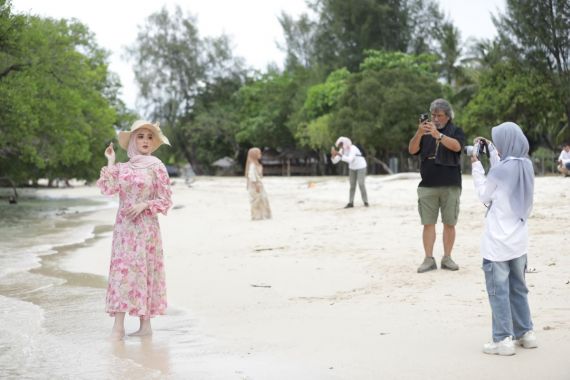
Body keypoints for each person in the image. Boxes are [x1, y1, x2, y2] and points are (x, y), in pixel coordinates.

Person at [97, 120, 173, 339]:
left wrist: (144, 205)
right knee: (121, 272)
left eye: (149, 137)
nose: (145, 141)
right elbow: (108, 189)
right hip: (124, 229)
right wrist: (111, 161)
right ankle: (118, 327)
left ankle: (145, 325)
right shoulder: (124, 168)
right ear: (132, 140)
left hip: (146, 228)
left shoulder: (156, 166)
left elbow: (165, 199)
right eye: (140, 136)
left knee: (145, 272)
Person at [470, 122, 537, 356]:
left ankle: (502, 339)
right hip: (519, 241)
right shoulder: (526, 166)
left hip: (497, 243)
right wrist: (493, 154)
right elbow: (505, 175)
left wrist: (477, 166)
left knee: (498, 291)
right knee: (518, 288)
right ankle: (526, 333)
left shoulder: (500, 170)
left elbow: (484, 194)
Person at [408, 99, 465, 273]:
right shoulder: (424, 132)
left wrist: (438, 136)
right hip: (427, 184)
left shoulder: (456, 131)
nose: (436, 118)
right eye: (433, 115)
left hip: (450, 184)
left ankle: (447, 258)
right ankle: (428, 258)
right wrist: (419, 133)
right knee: (428, 223)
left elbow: (457, 147)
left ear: (448, 116)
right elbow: (412, 150)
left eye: (439, 115)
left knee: (449, 223)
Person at [330, 137, 369, 208]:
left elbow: (350, 159)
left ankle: (365, 201)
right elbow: (334, 161)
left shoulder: (352, 148)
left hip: (361, 166)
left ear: (345, 143)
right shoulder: (342, 150)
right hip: (352, 168)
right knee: (352, 186)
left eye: (341, 144)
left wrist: (339, 154)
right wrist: (333, 155)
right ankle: (351, 203)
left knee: (361, 184)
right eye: (339, 145)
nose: (340, 146)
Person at [245, 147, 271, 220]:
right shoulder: (252, 165)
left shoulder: (256, 164)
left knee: (263, 199)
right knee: (256, 201)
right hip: (255, 185)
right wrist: (256, 185)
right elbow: (252, 176)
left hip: (259, 185)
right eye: (259, 153)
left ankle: (263, 215)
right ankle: (257, 215)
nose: (260, 154)